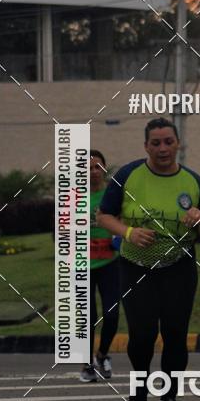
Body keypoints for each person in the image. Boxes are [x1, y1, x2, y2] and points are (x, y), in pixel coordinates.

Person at [97, 118, 200, 401]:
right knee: (142, 335)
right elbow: (104, 216)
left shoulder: (193, 181)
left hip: (179, 268)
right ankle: (139, 390)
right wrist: (128, 233)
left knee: (175, 335)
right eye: (156, 143)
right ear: (146, 146)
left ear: (178, 144)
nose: (162, 148)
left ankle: (170, 400)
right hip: (135, 267)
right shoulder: (128, 175)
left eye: (168, 142)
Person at [80, 150, 120, 383]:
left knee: (112, 314)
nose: (94, 172)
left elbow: (124, 224)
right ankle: (86, 364)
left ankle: (102, 355)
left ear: (105, 169)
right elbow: (60, 234)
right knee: (88, 316)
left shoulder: (113, 196)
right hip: (82, 266)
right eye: (89, 167)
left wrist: (118, 239)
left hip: (111, 264)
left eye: (98, 167)